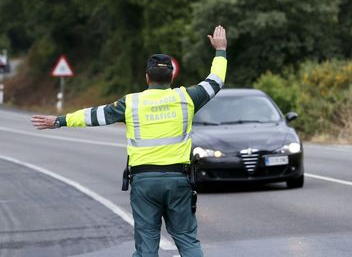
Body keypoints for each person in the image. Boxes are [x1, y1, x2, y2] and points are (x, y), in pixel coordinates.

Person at [31, 25, 227, 257]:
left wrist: (60, 120)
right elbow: (215, 82)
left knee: (146, 243)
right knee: (186, 239)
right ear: (171, 76)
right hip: (178, 180)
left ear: (147, 77)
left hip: (144, 183)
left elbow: (95, 115)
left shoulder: (131, 103)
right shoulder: (187, 98)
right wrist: (220, 51)